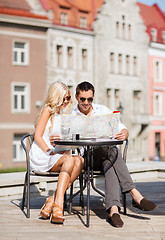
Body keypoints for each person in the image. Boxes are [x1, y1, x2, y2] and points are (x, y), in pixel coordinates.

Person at [51, 81, 157, 228]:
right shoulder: (70, 115)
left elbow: (121, 128)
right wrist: (57, 139)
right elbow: (62, 141)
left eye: (90, 99)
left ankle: (113, 210)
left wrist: (125, 132)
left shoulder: (102, 110)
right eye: (82, 99)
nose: (86, 103)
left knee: (110, 161)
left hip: (105, 156)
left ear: (93, 97)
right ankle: (133, 193)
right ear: (76, 97)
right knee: (111, 150)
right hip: (83, 159)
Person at [29, 81, 84, 224]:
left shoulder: (62, 114)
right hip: (43, 153)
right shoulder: (48, 109)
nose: (66, 101)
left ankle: (52, 199)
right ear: (56, 97)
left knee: (80, 160)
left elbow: (62, 140)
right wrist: (49, 151)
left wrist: (62, 144)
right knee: (70, 160)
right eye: (64, 98)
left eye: (68, 98)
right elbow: (38, 136)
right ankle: (58, 205)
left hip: (56, 153)